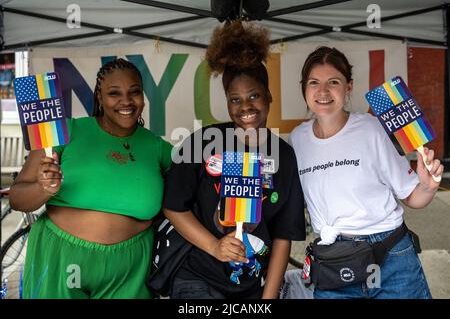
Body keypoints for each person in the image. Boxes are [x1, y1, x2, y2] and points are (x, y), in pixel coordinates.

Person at [161, 21, 306, 299]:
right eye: (235, 99)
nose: (246, 107)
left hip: (249, 286)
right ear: (227, 103)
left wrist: (268, 297)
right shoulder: (202, 142)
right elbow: (174, 208)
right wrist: (215, 247)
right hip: (196, 277)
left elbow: (282, 236)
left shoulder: (284, 157)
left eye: (254, 96)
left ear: (269, 96)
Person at [289, 46, 444, 299]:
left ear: (348, 87)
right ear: (304, 88)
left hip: (391, 257)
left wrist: (427, 185)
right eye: (314, 82)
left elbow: (413, 197)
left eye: (334, 82)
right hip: (333, 263)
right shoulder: (298, 139)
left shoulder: (371, 130)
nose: (323, 91)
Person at [9, 58, 172, 299]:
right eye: (114, 93)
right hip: (61, 256)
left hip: (131, 267)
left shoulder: (158, 148)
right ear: (99, 97)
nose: (126, 101)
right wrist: (44, 188)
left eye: (134, 92)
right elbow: (17, 199)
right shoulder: (65, 132)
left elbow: (189, 193)